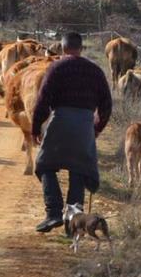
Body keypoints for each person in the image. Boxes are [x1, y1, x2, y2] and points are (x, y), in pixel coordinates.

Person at [30, 31, 113, 233]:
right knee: (79, 170)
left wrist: (36, 127)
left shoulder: (56, 67)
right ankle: (74, 222)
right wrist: (96, 129)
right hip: (85, 125)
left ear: (62, 47)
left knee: (44, 165)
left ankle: (53, 214)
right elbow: (107, 105)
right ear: (81, 48)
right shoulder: (95, 71)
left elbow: (42, 101)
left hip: (60, 122)